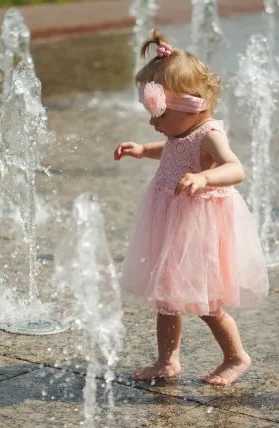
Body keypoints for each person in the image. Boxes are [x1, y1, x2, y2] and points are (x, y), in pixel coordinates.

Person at [114, 32, 269, 386]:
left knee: (208, 302)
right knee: (166, 295)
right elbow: (171, 149)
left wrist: (205, 179)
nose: (154, 124)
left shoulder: (210, 134)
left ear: (192, 107)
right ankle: (167, 361)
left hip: (199, 226)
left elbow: (236, 168)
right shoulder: (179, 132)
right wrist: (143, 149)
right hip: (172, 220)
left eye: (159, 116)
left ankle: (236, 356)